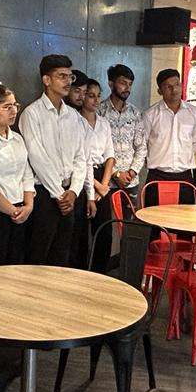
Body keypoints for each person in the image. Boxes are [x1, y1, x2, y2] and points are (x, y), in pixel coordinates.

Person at [20, 54, 87, 267]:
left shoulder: (74, 116)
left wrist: (74, 191)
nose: (68, 81)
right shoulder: (32, 114)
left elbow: (81, 157)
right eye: (61, 76)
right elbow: (36, 157)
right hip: (45, 196)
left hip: (69, 195)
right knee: (39, 255)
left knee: (63, 255)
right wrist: (59, 194)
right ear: (46, 80)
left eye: (70, 76)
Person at [0, 82, 34, 266]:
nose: (13, 111)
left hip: (22, 209)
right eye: (7, 107)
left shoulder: (17, 138)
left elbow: (27, 174)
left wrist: (28, 205)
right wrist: (12, 210)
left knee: (18, 262)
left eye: (15, 105)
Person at [142, 68, 196, 203]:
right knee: (154, 215)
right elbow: (142, 144)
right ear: (160, 91)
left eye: (177, 84)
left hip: (185, 176)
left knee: (184, 215)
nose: (174, 89)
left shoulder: (194, 113)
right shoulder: (150, 114)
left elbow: (195, 142)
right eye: (168, 86)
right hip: (157, 175)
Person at [98, 64, 146, 208]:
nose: (127, 88)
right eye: (123, 83)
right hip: (106, 182)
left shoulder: (135, 112)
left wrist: (132, 172)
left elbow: (141, 147)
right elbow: (96, 150)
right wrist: (116, 174)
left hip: (131, 181)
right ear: (111, 83)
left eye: (130, 84)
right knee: (109, 220)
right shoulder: (99, 112)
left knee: (129, 220)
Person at [81, 78, 115, 272]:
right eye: (91, 96)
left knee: (105, 231)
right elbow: (81, 161)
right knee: (82, 233)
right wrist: (96, 186)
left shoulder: (104, 123)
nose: (96, 100)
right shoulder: (76, 121)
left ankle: (101, 272)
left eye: (98, 96)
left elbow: (110, 156)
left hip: (103, 175)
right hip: (84, 176)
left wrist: (104, 185)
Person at [66, 70, 93, 268]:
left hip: (78, 188)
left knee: (78, 241)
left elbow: (85, 160)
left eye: (84, 92)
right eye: (77, 91)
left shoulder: (81, 121)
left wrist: (89, 194)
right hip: (57, 188)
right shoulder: (51, 117)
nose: (81, 96)